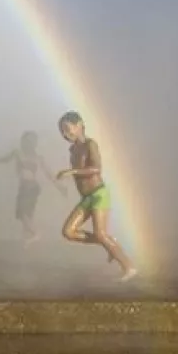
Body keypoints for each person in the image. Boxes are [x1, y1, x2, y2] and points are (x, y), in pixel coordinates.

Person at [54, 111, 137, 282]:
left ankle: (129, 267)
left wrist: (73, 171)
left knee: (99, 233)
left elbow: (97, 169)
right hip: (86, 198)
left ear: (79, 125)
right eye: (62, 131)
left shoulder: (90, 144)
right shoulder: (72, 149)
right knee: (68, 232)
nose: (65, 134)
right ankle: (107, 242)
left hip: (98, 194)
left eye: (68, 129)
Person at [0, 131, 57, 245]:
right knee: (27, 214)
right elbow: (5, 159)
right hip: (27, 186)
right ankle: (27, 241)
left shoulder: (37, 157)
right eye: (26, 141)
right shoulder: (18, 153)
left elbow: (49, 173)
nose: (28, 144)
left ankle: (36, 233)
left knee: (22, 213)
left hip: (30, 187)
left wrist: (60, 184)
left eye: (31, 141)